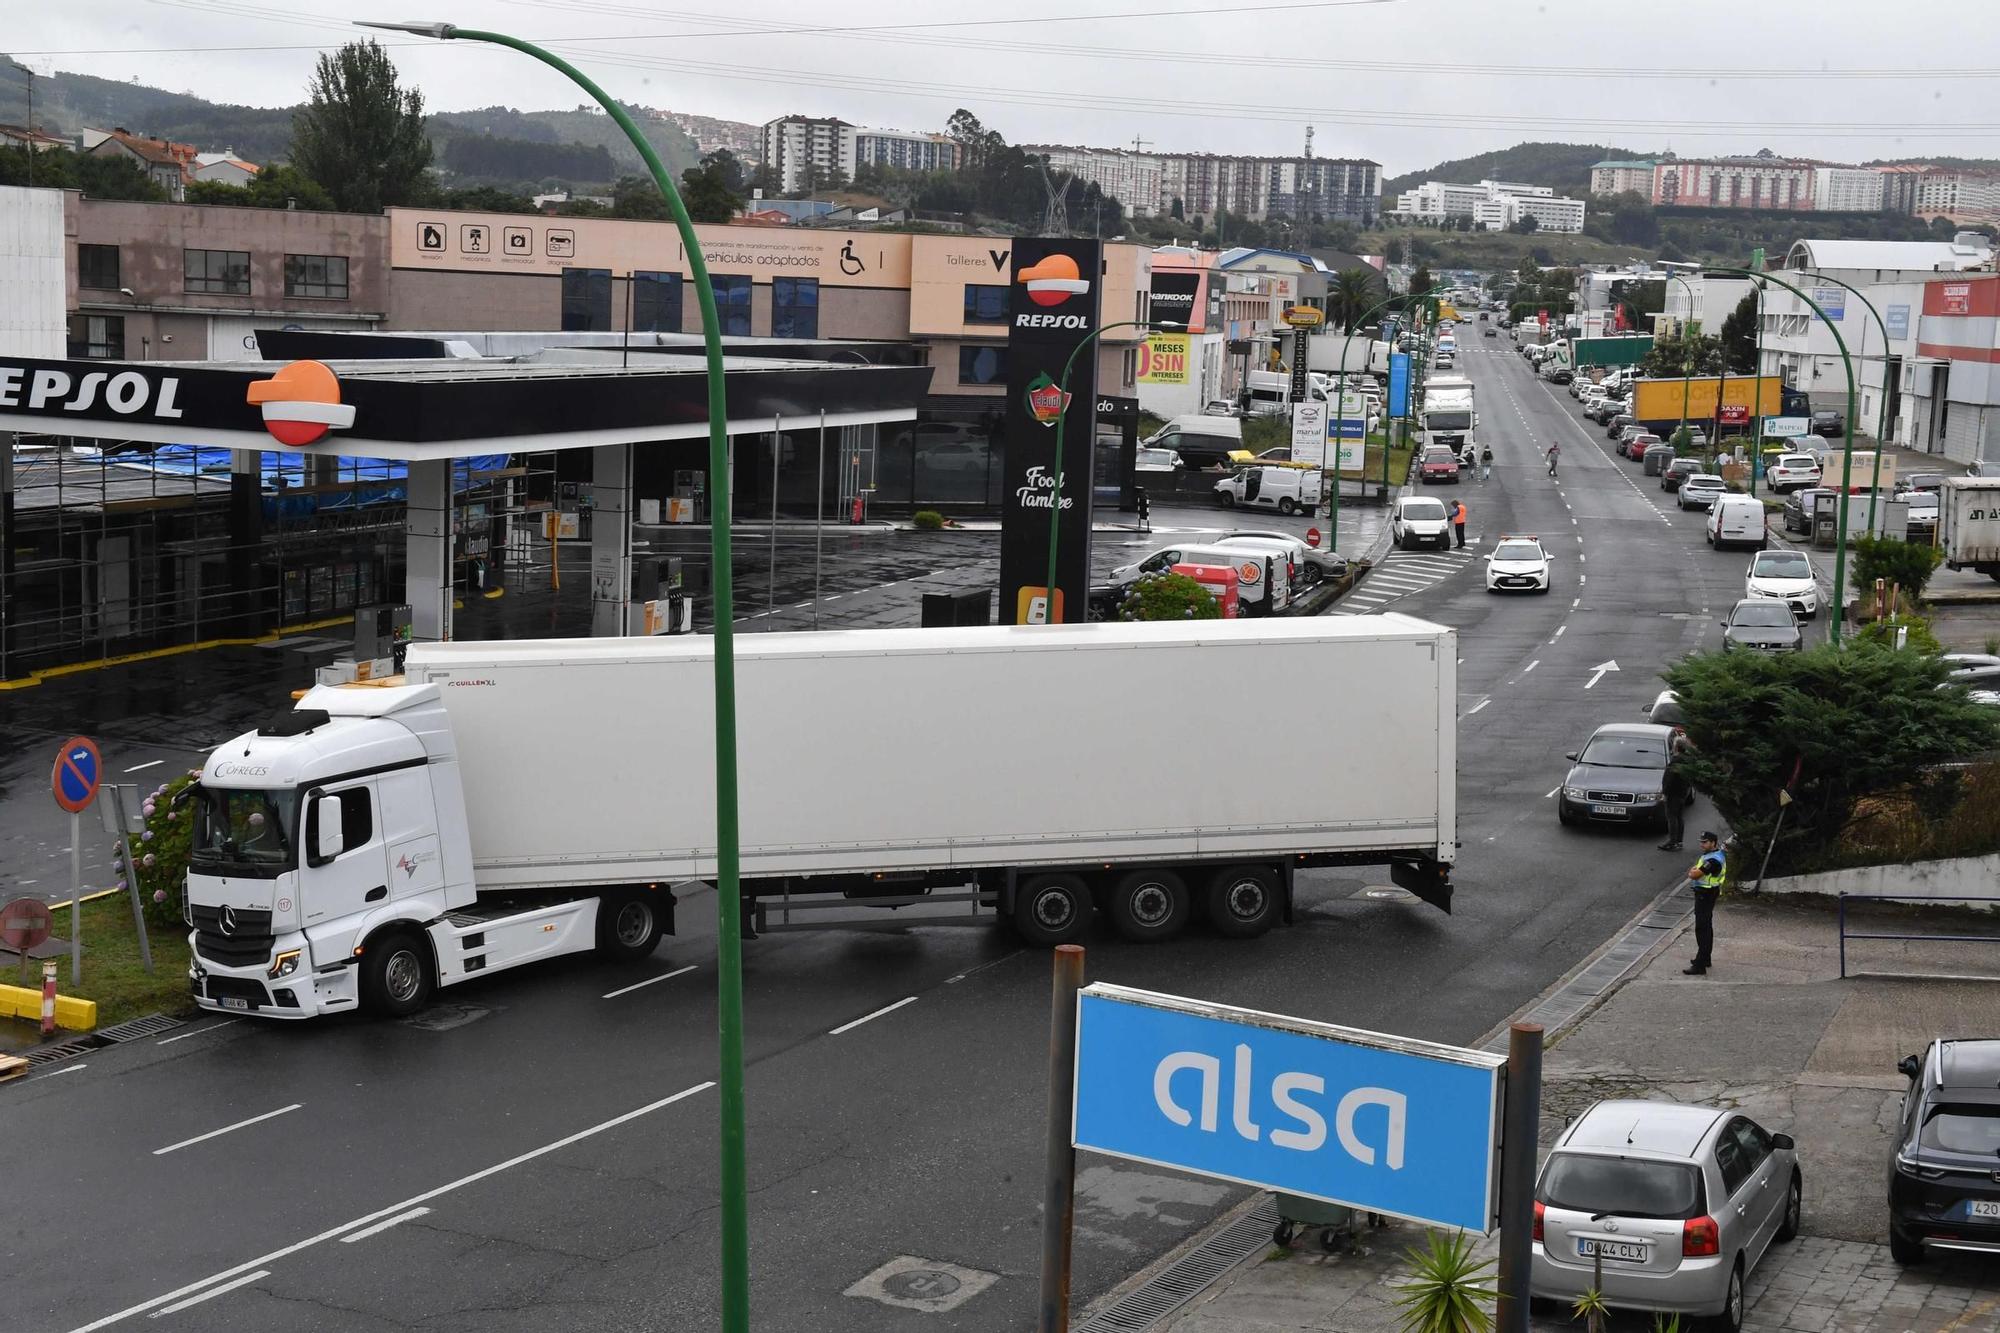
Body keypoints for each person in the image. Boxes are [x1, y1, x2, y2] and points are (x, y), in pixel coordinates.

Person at [1684, 831, 1727, 976]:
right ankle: (1705, 958)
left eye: (1705, 842)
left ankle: (1700, 965)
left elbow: (1695, 874)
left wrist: (1692, 873)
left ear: (1713, 843)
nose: (1702, 844)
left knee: (1702, 929)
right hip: (1707, 893)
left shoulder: (1713, 860)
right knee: (1706, 926)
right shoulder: (1713, 855)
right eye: (1701, 842)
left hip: (1706, 894)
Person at [1659, 728, 1693, 851]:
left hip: (1673, 794)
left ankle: (1672, 842)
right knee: (1679, 817)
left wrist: (1665, 793)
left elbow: (1669, 779)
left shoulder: (1675, 761)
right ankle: (1679, 841)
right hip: (1682, 793)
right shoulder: (1687, 760)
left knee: (1672, 817)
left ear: (1676, 747)